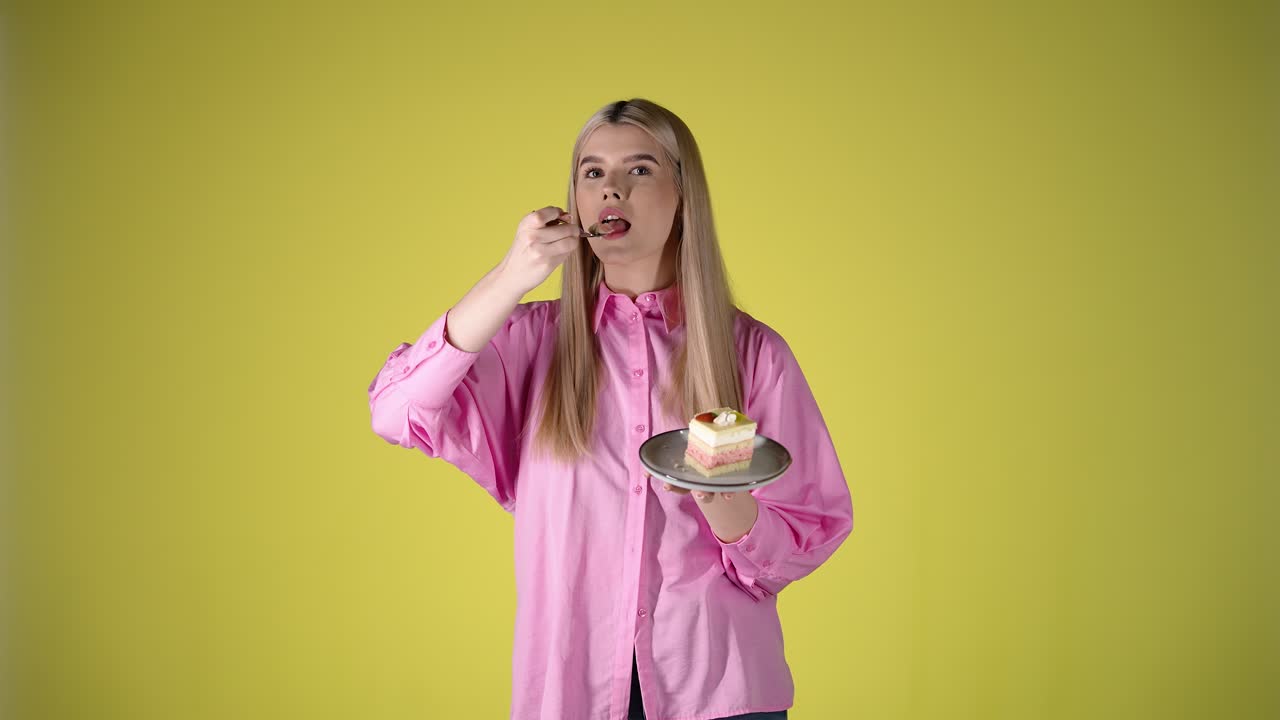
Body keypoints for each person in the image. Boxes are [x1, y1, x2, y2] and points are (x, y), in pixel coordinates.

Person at [368, 98, 854, 720]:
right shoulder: (531, 343)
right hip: (568, 692)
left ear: (683, 194)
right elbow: (394, 411)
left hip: (721, 694)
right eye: (592, 172)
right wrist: (509, 277)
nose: (611, 189)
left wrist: (722, 500)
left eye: (640, 169)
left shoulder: (751, 353)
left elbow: (809, 529)